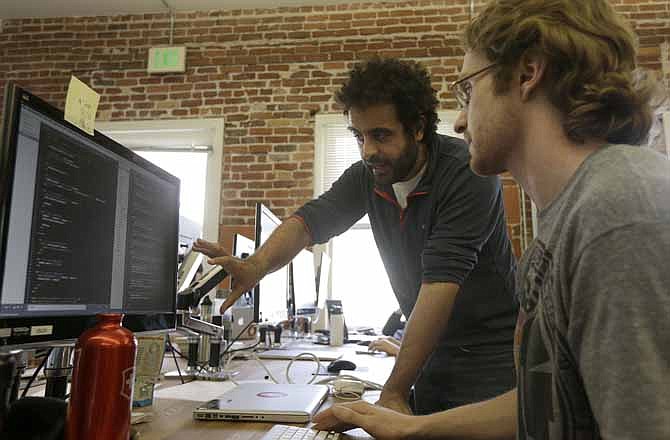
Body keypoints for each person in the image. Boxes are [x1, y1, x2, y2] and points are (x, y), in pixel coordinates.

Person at [312, 0, 670, 438]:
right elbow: (554, 402)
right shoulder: (573, 213)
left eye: (467, 91)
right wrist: (413, 429)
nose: (460, 122)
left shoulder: (619, 212)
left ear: (527, 73)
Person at [195, 57, 519, 414]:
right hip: (431, 353)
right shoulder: (369, 175)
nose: (368, 150)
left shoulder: (465, 173)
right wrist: (256, 266)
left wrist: (394, 390)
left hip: (490, 357)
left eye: (381, 135)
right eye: (358, 136)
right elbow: (310, 221)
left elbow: (440, 283)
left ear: (418, 128)